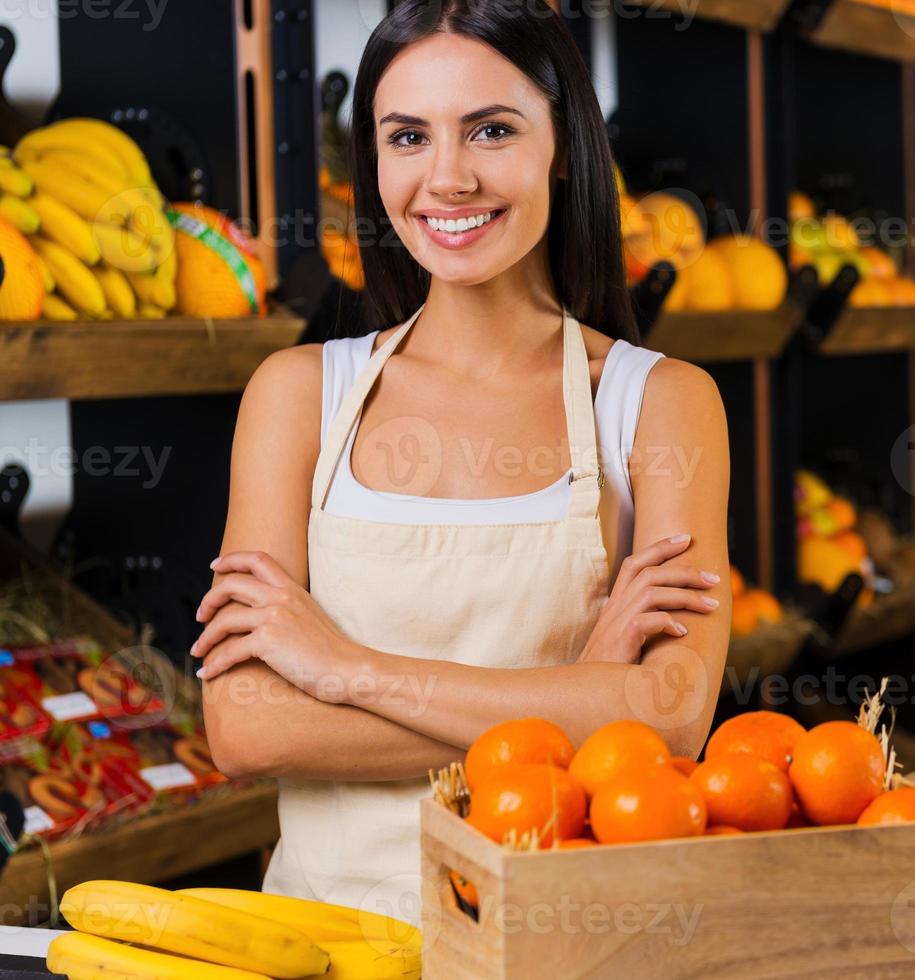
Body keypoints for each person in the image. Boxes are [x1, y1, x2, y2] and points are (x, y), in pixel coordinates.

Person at [190, 0, 730, 924]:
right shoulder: (296, 396)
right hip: (326, 943)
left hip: (559, 942)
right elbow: (243, 727)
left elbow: (672, 715)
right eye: (407, 136)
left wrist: (341, 669)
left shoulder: (658, 402)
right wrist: (577, 706)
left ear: (562, 146)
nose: (446, 177)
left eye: (490, 130)